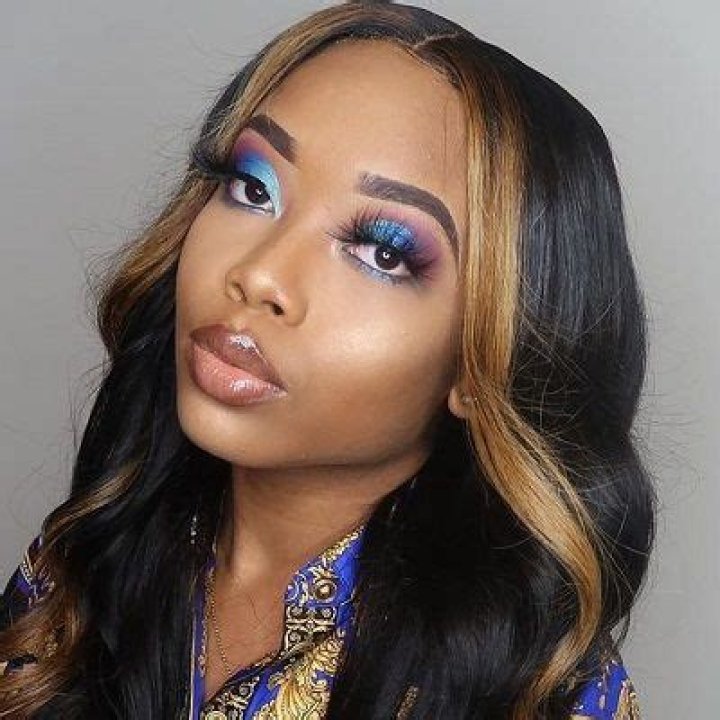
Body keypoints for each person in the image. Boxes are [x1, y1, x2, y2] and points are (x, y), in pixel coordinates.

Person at [0, 1, 655, 718]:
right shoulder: (85, 558)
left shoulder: (542, 692)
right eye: (254, 187)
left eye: (382, 253)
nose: (260, 274)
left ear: (484, 364)